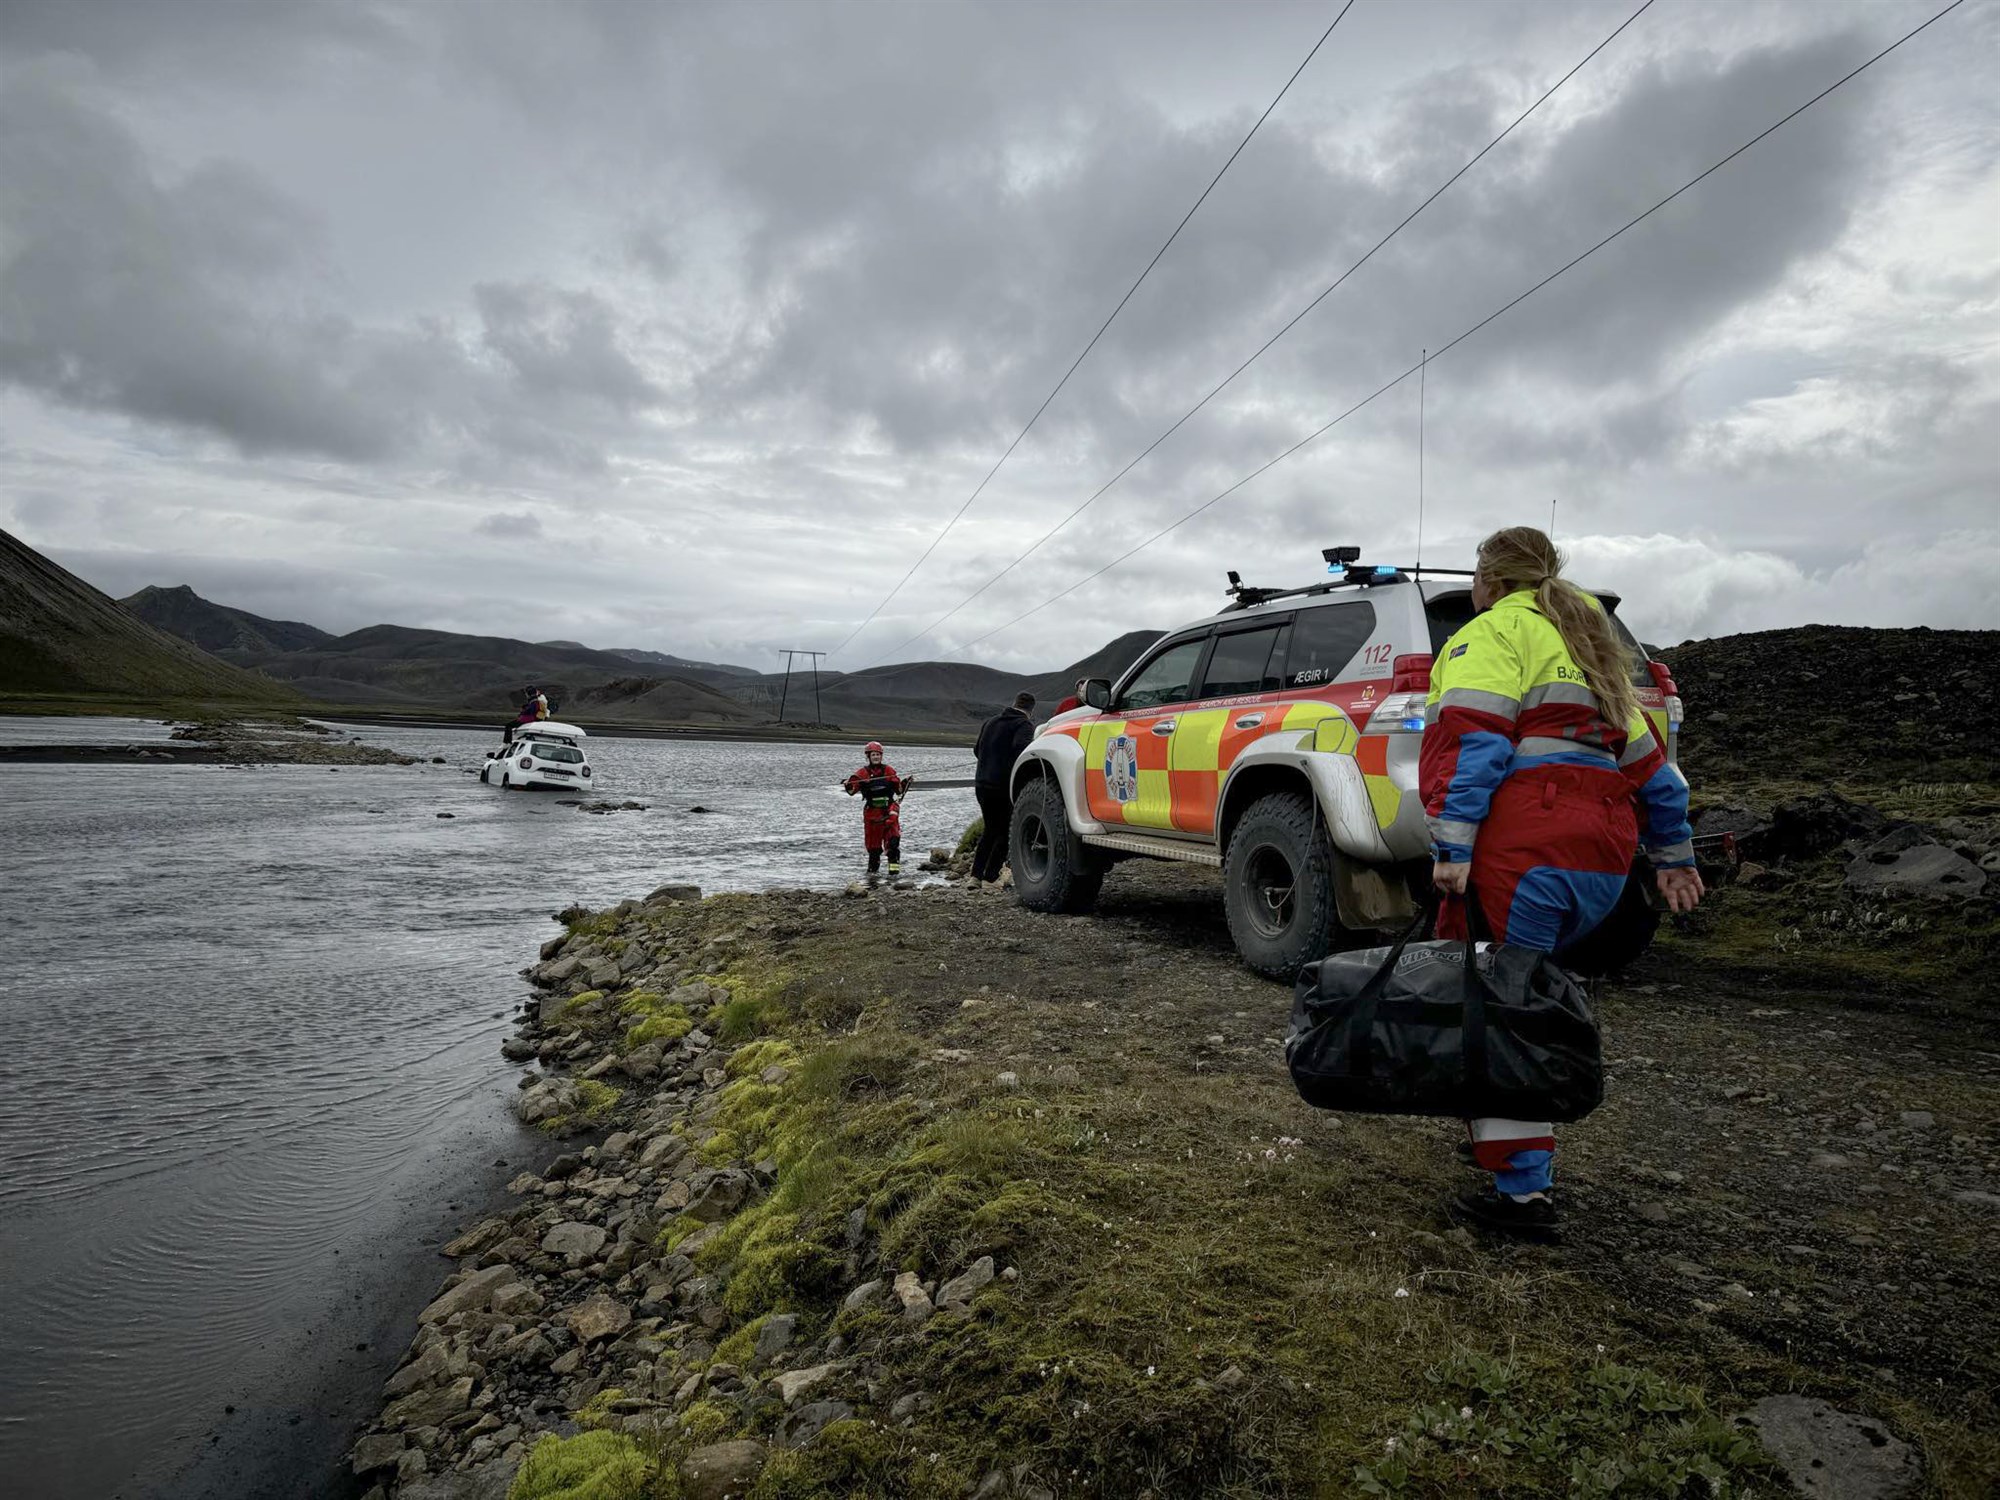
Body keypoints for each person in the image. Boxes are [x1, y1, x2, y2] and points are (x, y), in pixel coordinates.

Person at [1421, 525, 1703, 1241]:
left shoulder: (1491, 634)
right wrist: (1674, 858)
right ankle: (1502, 1133)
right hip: (1600, 854)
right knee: (1520, 990)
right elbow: (1656, 775)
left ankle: (1523, 1193)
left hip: (1527, 846)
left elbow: (1476, 742)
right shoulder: (1585, 645)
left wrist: (1453, 845)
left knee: (1502, 1005)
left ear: (1489, 579)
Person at [971, 692, 1037, 885]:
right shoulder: (1024, 725)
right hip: (1003, 786)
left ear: (1014, 703)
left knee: (990, 829)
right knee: (1004, 831)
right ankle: (990, 876)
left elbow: (976, 750)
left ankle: (975, 876)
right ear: (1031, 710)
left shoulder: (990, 722)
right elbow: (1021, 749)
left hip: (982, 784)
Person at [842, 741, 910, 876]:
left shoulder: (889, 771)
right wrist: (848, 785)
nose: (876, 757)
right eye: (873, 754)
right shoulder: (862, 773)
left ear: (881, 756)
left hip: (890, 812)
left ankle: (894, 875)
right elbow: (852, 791)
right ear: (868, 756)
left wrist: (905, 783)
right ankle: (872, 877)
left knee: (893, 843)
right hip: (872, 815)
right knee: (873, 848)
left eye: (878, 754)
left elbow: (898, 790)